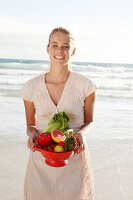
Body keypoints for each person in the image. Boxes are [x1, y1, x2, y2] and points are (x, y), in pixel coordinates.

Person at [19, 27, 96, 200]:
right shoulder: (31, 87)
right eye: (55, 45)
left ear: (73, 51)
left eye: (66, 46)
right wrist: (31, 133)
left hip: (74, 158)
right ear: (47, 49)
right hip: (41, 161)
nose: (60, 51)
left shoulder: (86, 86)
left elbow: (90, 122)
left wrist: (82, 134)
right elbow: (30, 124)